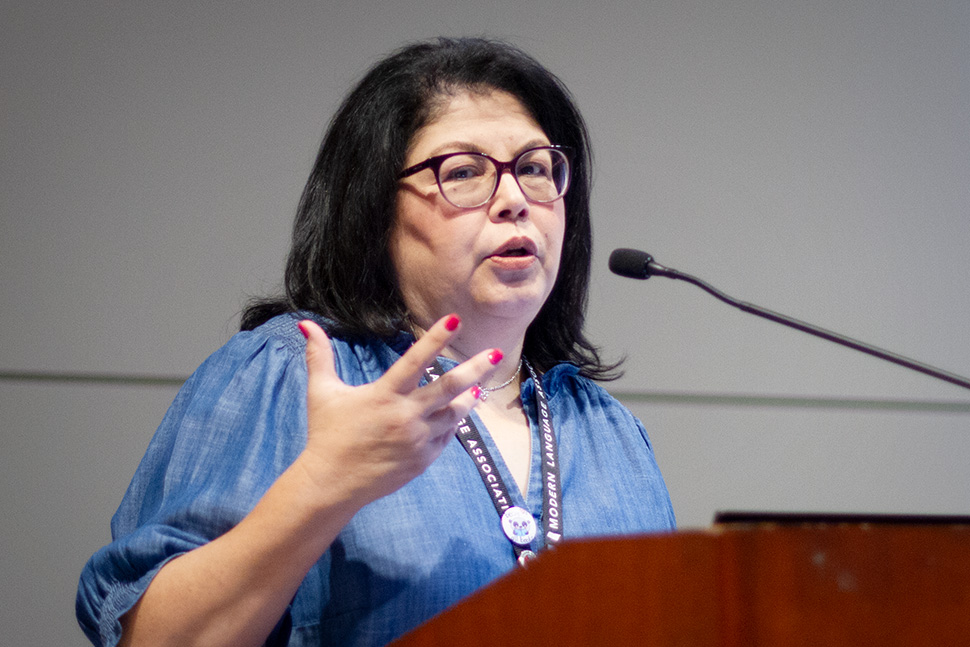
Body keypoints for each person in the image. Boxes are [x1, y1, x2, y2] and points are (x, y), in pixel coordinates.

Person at [76, 37, 675, 647]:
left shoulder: (609, 433)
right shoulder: (295, 374)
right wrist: (324, 485)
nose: (515, 200)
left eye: (534, 168)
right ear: (374, 211)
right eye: (463, 172)